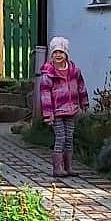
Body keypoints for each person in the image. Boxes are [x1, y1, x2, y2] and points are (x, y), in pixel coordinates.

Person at [38, 36, 89, 178]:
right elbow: (45, 95)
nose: (58, 55)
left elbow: (81, 87)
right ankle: (57, 167)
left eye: (61, 52)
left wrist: (84, 102)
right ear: (51, 55)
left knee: (69, 138)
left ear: (66, 54)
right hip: (56, 111)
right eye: (55, 52)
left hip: (71, 110)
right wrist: (48, 114)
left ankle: (69, 166)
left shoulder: (74, 71)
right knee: (60, 137)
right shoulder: (48, 74)